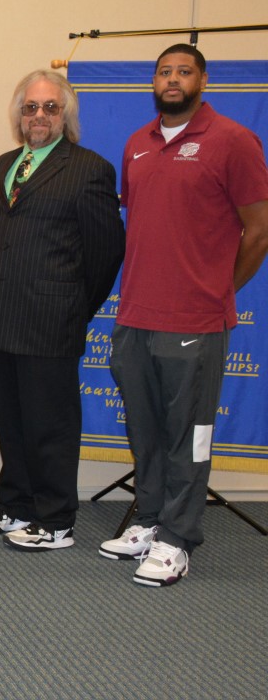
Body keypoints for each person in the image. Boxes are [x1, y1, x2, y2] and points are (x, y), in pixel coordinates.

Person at [103, 44, 268, 586]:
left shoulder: (233, 141)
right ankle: (150, 521)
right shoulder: (137, 144)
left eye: (183, 72)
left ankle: (177, 539)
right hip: (134, 317)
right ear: (153, 82)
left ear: (203, 80)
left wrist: (217, 290)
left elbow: (259, 230)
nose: (172, 80)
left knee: (187, 436)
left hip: (195, 321)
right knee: (145, 429)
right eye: (164, 72)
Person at [0, 70, 124, 551]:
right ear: (19, 115)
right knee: (11, 420)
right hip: (5, 316)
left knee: (50, 426)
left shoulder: (89, 169)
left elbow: (106, 252)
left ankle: (56, 519)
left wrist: (76, 308)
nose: (39, 116)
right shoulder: (4, 164)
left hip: (53, 321)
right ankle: (17, 506)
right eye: (31, 107)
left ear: (66, 115)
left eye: (50, 107)